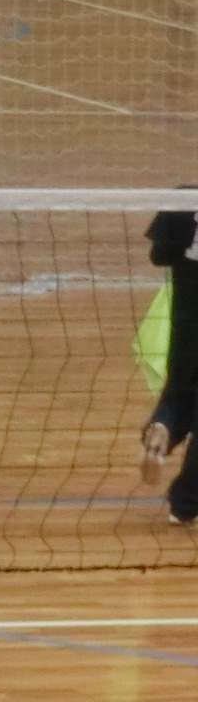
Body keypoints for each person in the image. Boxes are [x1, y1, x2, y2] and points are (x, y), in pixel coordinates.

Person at [139, 191, 198, 527]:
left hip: (187, 315)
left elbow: (159, 255)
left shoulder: (185, 199)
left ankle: (162, 429)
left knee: (179, 389)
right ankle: (185, 504)